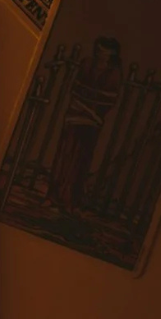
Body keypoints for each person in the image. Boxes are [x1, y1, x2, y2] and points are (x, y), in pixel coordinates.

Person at [49, 36, 123, 212]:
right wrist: (85, 105)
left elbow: (106, 101)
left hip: (91, 123)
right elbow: (76, 88)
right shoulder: (87, 63)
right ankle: (53, 196)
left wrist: (89, 109)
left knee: (80, 159)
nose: (100, 54)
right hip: (75, 116)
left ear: (111, 55)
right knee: (63, 155)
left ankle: (70, 201)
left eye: (104, 52)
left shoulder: (114, 74)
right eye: (99, 50)